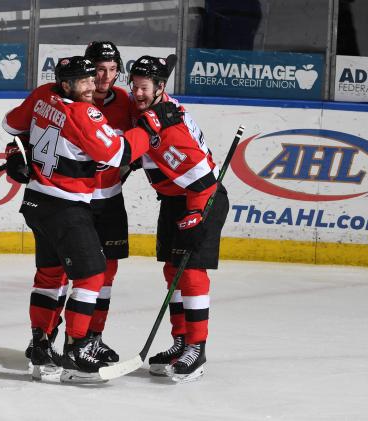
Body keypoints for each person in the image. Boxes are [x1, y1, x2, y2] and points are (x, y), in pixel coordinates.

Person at [1, 56, 183, 383]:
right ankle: (76, 350)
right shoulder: (84, 112)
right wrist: (152, 125)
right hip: (66, 207)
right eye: (82, 81)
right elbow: (118, 154)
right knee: (92, 275)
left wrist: (16, 152)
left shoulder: (44, 94)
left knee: (49, 274)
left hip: (35, 201)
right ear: (67, 84)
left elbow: (11, 126)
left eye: (91, 79)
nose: (90, 86)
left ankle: (41, 346)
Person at [127, 55, 230, 382]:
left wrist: (197, 214)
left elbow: (203, 182)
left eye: (144, 88)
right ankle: (180, 342)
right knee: (174, 271)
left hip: (203, 198)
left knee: (191, 272)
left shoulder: (170, 129)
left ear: (160, 88)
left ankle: (196, 350)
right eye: (135, 86)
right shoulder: (150, 114)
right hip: (175, 200)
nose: (137, 93)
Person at [81, 41, 134, 363]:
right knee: (66, 271)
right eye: (100, 69)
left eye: (112, 70)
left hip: (110, 199)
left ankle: (94, 337)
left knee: (107, 272)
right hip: (76, 200)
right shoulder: (74, 100)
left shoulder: (125, 101)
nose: (106, 76)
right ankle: (58, 337)